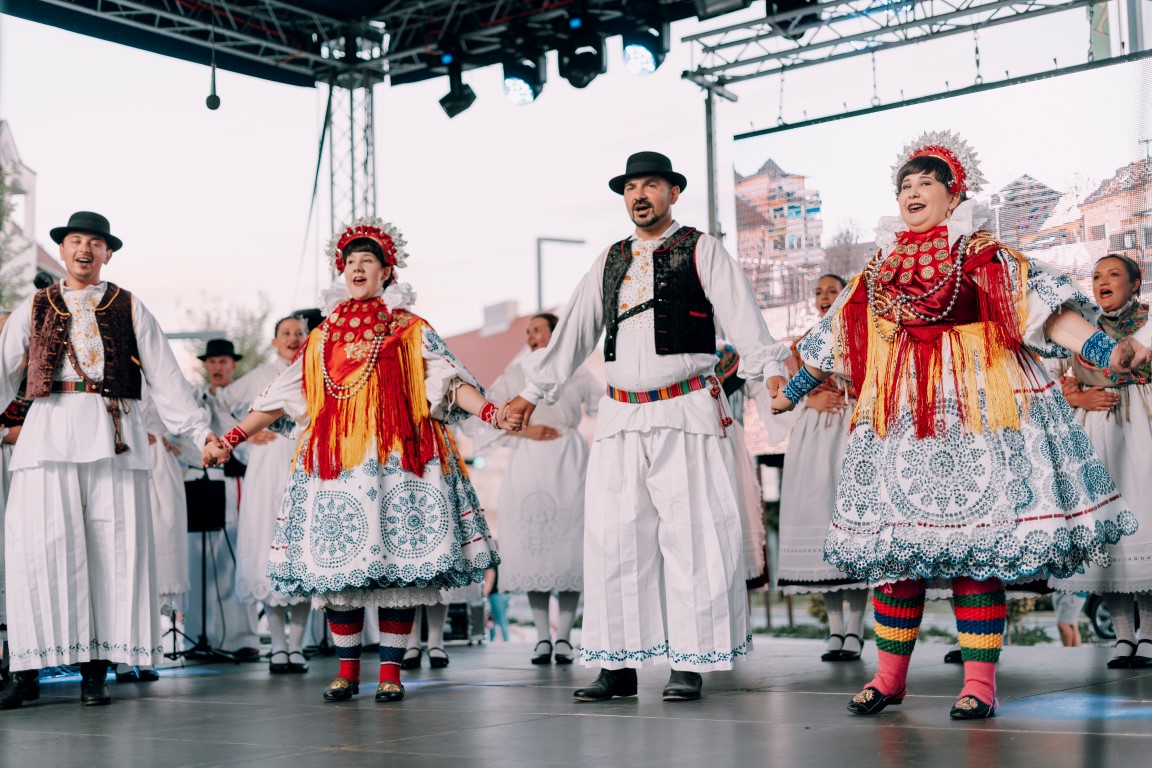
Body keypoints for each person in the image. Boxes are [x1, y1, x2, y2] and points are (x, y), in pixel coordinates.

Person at [771, 132, 1147, 720]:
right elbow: (836, 337)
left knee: (977, 553)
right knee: (896, 552)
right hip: (901, 414)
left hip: (976, 408)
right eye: (905, 185)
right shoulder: (880, 268)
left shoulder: (983, 255)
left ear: (954, 195)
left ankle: (979, 683)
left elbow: (1046, 316)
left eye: (927, 183)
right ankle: (889, 677)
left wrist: (1104, 349)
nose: (913, 192)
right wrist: (789, 394)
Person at [504, 152, 792, 702]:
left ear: (673, 193)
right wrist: (529, 395)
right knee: (614, 539)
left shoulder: (702, 249)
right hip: (620, 414)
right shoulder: (610, 260)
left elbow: (745, 320)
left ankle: (690, 660)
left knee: (692, 536)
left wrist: (770, 374)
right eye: (632, 187)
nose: (640, 195)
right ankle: (617, 663)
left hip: (685, 410)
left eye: (651, 185)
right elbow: (572, 335)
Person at [202, 218, 504, 703]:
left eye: (368, 261)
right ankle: (346, 671)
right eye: (350, 263)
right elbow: (279, 396)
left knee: (398, 569)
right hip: (339, 463)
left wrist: (490, 411)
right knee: (339, 567)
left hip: (399, 460)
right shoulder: (322, 338)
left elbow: (450, 381)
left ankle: (390, 673)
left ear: (387, 271)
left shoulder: (410, 329)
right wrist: (231, 438)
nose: (357, 269)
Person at [0, 211, 214, 709]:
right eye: (76, 241)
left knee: (112, 552)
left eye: (94, 243)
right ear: (62, 249)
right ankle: (26, 671)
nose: (84, 250)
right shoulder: (33, 306)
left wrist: (200, 433)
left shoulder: (130, 306)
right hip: (47, 435)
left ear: (108, 253)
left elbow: (167, 379)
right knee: (39, 550)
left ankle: (96, 672)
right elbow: (2, 371)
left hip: (112, 437)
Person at [477, 312, 600, 666]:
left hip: (570, 460)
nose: (530, 336)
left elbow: (604, 406)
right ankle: (543, 638)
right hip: (528, 460)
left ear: (555, 334)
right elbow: (489, 416)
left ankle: (564, 638)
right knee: (536, 548)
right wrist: (523, 429)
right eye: (528, 331)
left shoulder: (576, 371)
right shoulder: (516, 374)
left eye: (538, 330)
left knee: (569, 549)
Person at [1051, 253, 1152, 668]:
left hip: (1143, 428)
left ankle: (1150, 635)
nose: (1102, 281)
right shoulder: (1080, 327)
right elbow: (1047, 383)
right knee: (1108, 534)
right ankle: (1124, 637)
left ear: (1135, 283)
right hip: (1096, 434)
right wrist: (1078, 396)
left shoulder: (1147, 322)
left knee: (1144, 524)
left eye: (1113, 274)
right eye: (1096, 276)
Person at [774, 274, 871, 662]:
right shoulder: (801, 345)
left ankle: (856, 629)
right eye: (818, 292)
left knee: (851, 526)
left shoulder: (865, 336)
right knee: (821, 523)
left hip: (851, 429)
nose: (824, 297)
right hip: (814, 437)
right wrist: (807, 401)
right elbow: (777, 397)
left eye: (833, 291)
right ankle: (834, 629)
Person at [220, 316, 313, 674]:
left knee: (301, 550)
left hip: (304, 465)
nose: (293, 338)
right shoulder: (260, 375)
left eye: (299, 333)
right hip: (266, 467)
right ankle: (277, 646)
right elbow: (220, 401)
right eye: (286, 333)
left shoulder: (313, 371)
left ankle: (297, 646)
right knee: (267, 549)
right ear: (274, 341)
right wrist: (245, 433)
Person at [183, 338, 262, 660]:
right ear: (206, 366)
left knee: (235, 555)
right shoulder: (196, 401)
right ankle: (199, 636)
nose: (217, 367)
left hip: (234, 481)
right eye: (212, 362)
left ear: (233, 365)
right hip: (201, 481)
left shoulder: (247, 403)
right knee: (199, 559)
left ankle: (241, 638)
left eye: (223, 362)